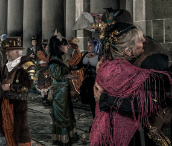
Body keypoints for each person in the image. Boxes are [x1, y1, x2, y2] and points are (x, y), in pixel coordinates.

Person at [90, 9, 172, 146]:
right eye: (140, 40)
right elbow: (149, 100)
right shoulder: (121, 67)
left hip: (112, 128)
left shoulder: (108, 63)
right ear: (127, 50)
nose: (144, 41)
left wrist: (105, 99)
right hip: (121, 132)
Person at [0, 37, 34, 146]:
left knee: (22, 132)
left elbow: (28, 85)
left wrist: (11, 87)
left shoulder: (28, 65)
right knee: (8, 130)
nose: (7, 54)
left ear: (17, 51)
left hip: (18, 103)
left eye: (9, 51)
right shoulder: (6, 64)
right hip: (4, 102)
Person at [47, 34, 78, 145]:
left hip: (64, 91)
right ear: (59, 46)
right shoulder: (54, 60)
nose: (67, 47)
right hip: (59, 92)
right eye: (65, 45)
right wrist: (68, 77)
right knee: (62, 115)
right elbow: (56, 76)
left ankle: (68, 138)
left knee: (68, 113)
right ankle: (62, 139)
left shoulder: (62, 58)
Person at [36, 39, 52, 105]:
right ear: (43, 45)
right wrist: (51, 58)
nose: (47, 46)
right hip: (43, 69)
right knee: (42, 85)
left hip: (46, 69)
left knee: (46, 84)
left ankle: (46, 99)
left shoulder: (45, 52)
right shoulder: (39, 52)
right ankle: (44, 99)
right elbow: (45, 59)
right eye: (46, 45)